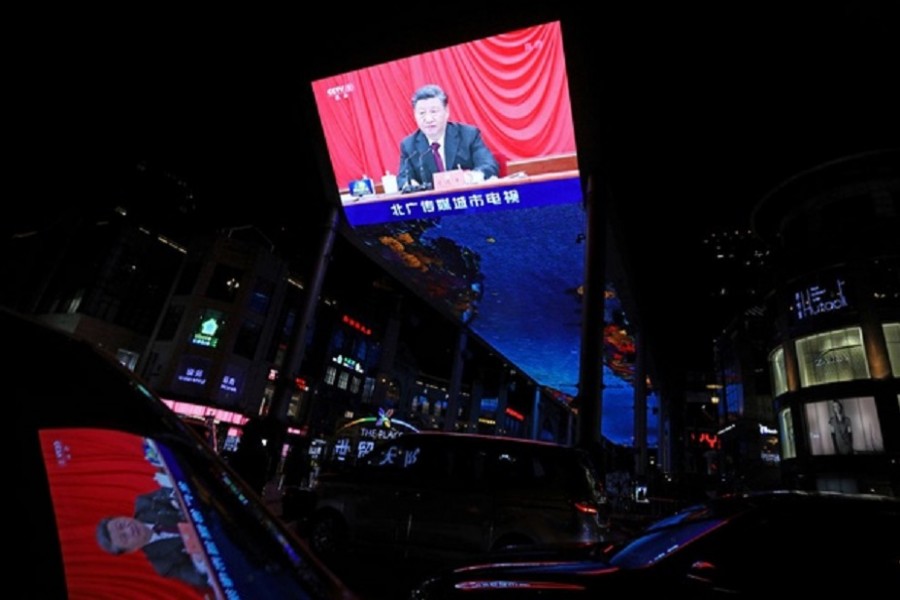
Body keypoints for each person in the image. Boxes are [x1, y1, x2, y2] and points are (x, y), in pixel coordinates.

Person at [96, 487, 210, 590]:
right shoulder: (162, 564)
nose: (129, 530)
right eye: (124, 537)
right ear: (130, 550)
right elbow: (200, 578)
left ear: (122, 517)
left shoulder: (146, 503)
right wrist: (199, 561)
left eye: (121, 525)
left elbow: (173, 492)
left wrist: (179, 502)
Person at [397, 84, 499, 192]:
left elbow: (489, 165)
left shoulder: (468, 135)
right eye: (422, 113)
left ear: (446, 112)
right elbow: (403, 178)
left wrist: (469, 178)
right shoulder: (409, 145)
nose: (428, 119)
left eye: (434, 111)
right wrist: (410, 185)